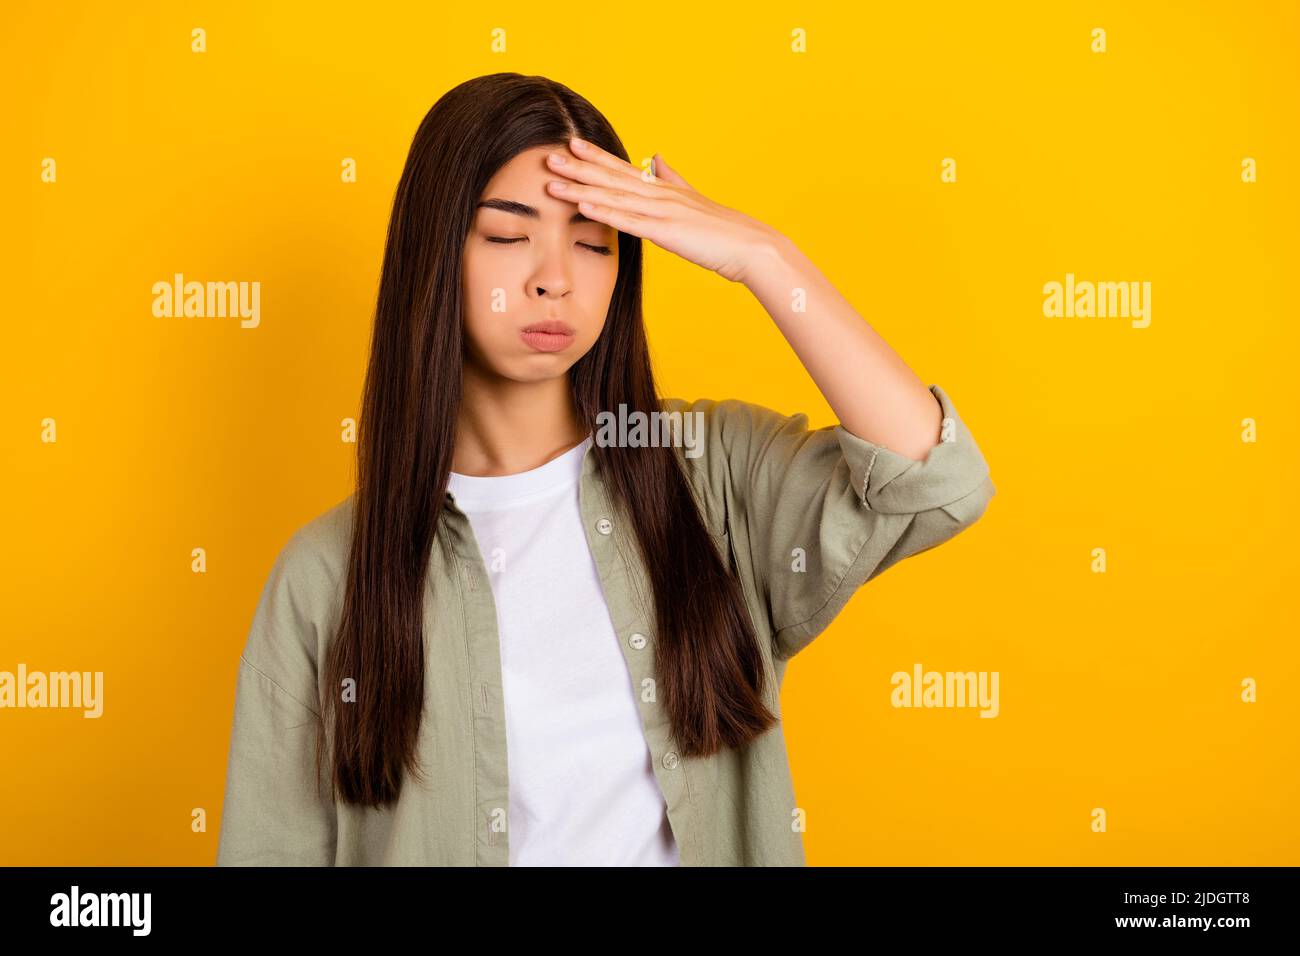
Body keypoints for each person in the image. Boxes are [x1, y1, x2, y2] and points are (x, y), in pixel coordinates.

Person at [215, 72, 996, 866]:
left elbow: (934, 478)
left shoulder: (710, 476)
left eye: (593, 243)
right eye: (508, 236)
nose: (556, 277)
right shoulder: (323, 580)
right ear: (433, 252)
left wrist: (763, 256)